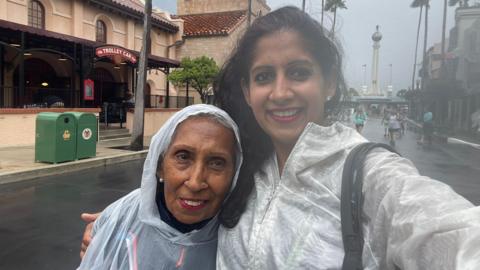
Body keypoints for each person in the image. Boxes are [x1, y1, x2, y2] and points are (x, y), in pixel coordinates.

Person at [81, 7, 480, 269]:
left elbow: (451, 233)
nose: (281, 91)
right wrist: (117, 226)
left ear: (328, 83)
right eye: (264, 76)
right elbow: (169, 200)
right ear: (247, 88)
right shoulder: (243, 164)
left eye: (300, 72)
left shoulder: (370, 176)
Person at [78, 104, 243, 270]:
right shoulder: (122, 217)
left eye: (216, 163)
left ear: (234, 174)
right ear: (159, 166)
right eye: (183, 157)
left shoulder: (245, 239)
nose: (195, 183)